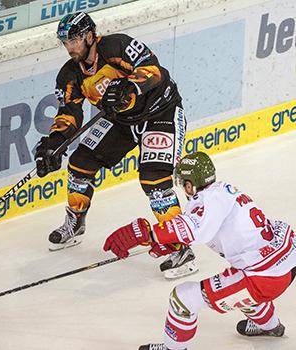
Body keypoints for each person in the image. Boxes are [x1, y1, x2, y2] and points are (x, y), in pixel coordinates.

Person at [34, 11, 197, 279]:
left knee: (154, 180)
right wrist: (54, 144)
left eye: (74, 40)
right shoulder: (69, 75)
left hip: (161, 113)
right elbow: (69, 114)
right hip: (121, 120)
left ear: (89, 36)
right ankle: (75, 222)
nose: (70, 47)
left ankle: (180, 247)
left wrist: (130, 87)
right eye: (65, 42)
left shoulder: (117, 46)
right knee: (79, 164)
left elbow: (153, 70)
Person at [103, 151, 296, 349]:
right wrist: (167, 241)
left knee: (183, 298)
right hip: (286, 259)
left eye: (183, 182)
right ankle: (269, 326)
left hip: (264, 277)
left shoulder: (207, 200)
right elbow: (201, 227)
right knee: (238, 285)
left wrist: (148, 234)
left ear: (189, 184)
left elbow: (196, 229)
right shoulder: (224, 190)